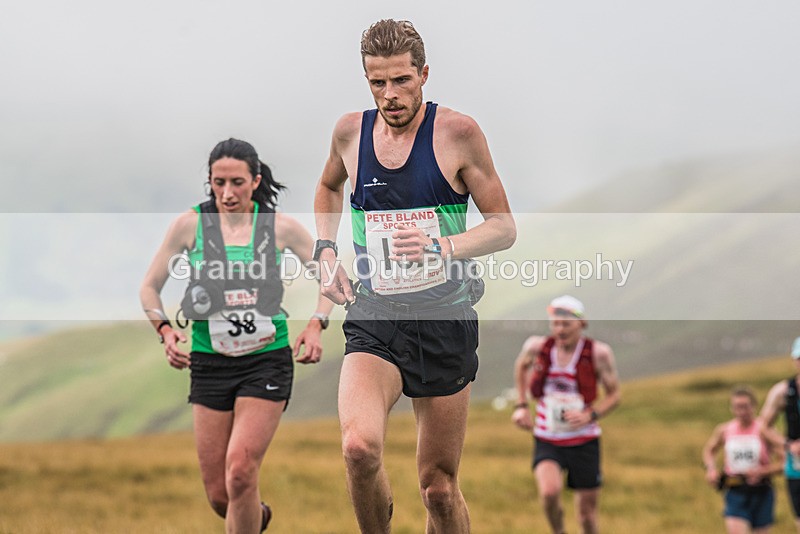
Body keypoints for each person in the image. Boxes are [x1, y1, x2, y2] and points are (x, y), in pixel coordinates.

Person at [313, 19, 516, 534]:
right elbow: (327, 187)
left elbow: (503, 228)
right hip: (375, 313)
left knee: (439, 490)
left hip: (444, 318)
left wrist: (443, 246)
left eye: (401, 80)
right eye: (378, 82)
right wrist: (325, 249)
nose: (390, 95)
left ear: (424, 74)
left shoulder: (457, 133)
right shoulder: (349, 132)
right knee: (359, 449)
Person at [140, 138, 333, 533]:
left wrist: (316, 323)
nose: (227, 193)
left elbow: (332, 278)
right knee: (221, 495)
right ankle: (256, 518)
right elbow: (149, 287)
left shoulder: (280, 228)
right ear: (209, 182)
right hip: (209, 364)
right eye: (218, 182)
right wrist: (164, 331)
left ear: (255, 180)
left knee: (241, 471)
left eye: (237, 183)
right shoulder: (189, 225)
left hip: (266, 360)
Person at [512, 295, 621, 534]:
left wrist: (590, 415)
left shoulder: (598, 353)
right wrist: (521, 405)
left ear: (581, 324)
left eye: (566, 324)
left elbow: (614, 395)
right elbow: (521, 366)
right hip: (547, 437)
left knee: (586, 515)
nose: (560, 330)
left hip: (584, 440)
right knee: (549, 493)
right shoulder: (537, 347)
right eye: (555, 324)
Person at [703, 386, 785, 534]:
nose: (742, 412)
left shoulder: (764, 430)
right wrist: (711, 469)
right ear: (731, 408)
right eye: (737, 407)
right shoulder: (725, 430)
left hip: (762, 491)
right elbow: (709, 450)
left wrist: (763, 471)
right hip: (735, 490)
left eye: (745, 407)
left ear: (754, 406)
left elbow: (785, 461)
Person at [759, 337, 800, 532]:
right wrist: (787, 445)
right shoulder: (783, 392)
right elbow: (764, 425)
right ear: (794, 359)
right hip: (796, 469)